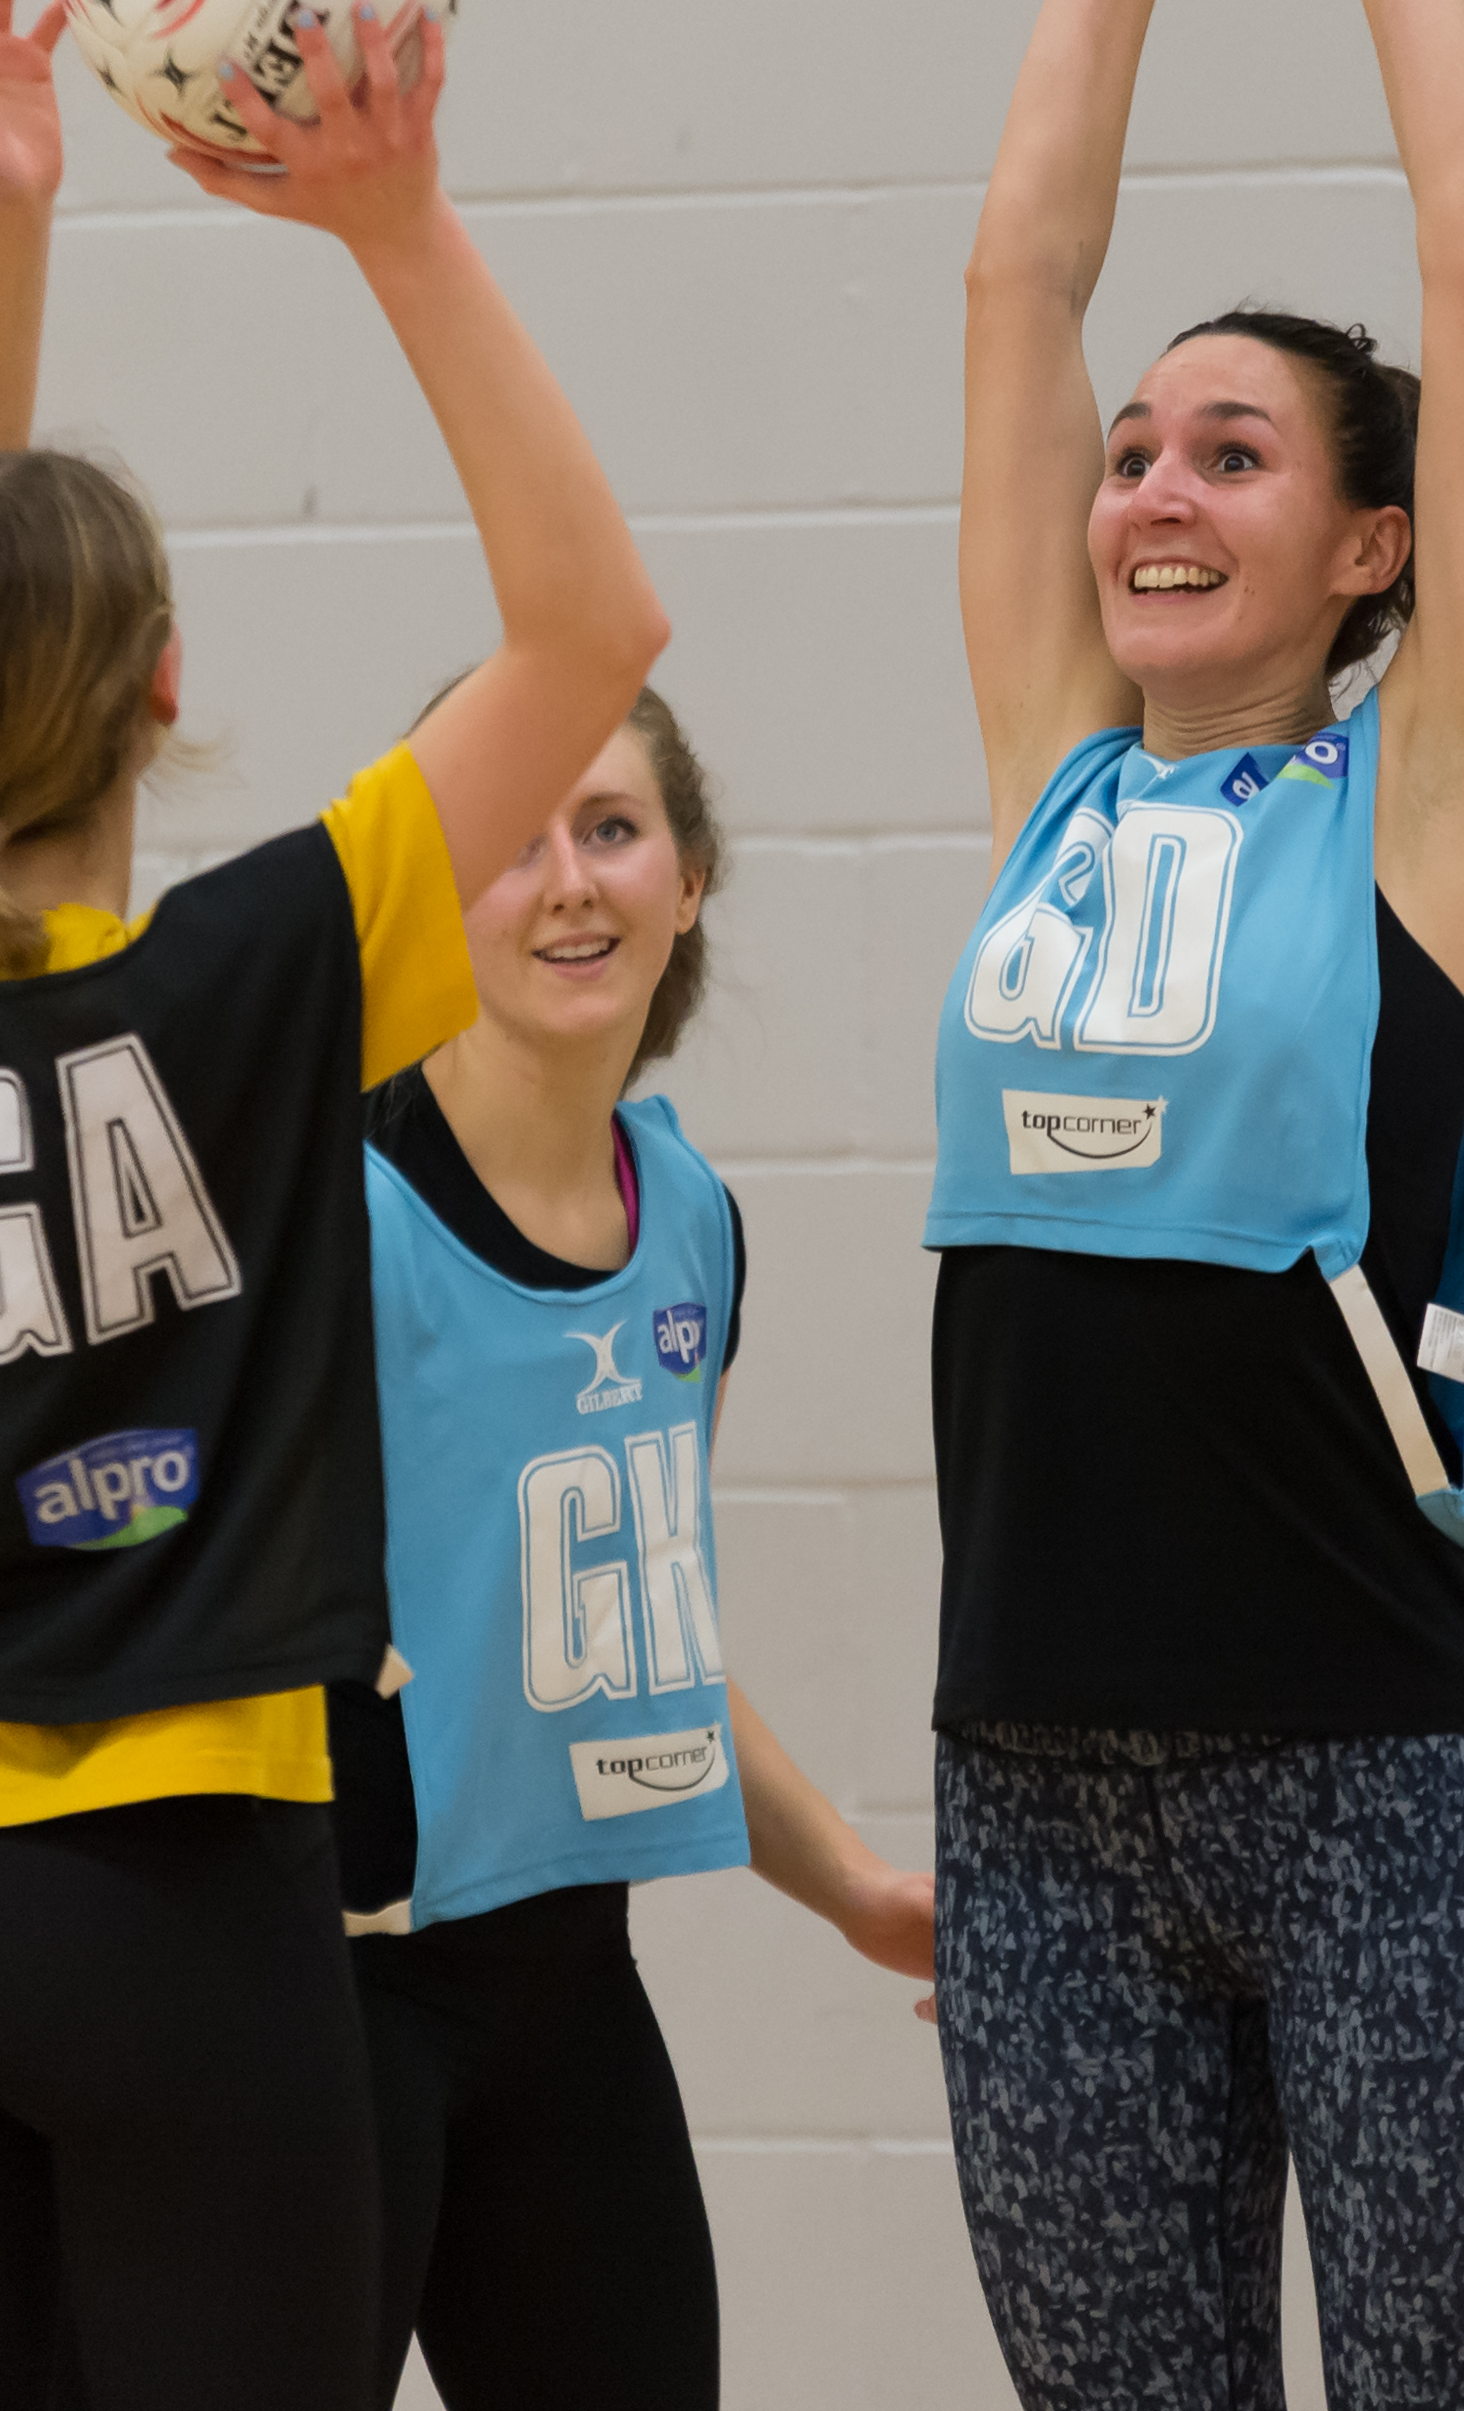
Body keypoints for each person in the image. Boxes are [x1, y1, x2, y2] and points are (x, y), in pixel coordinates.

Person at [0, 0, 666, 2411]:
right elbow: (591, 622)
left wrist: (0, 213)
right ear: (164, 683)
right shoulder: (292, 951)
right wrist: (396, 220)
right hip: (173, 1890)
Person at [921, 0, 1464, 2409]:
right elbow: (1013, 281)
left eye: (1237, 454)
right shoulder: (1062, 777)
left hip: (1398, 1795)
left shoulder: (1426, 809)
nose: (1155, 490)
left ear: (1374, 547)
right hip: (1039, 1802)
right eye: (1134, 457)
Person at [330, 687, 936, 2410]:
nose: (569, 882)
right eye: (510, 840)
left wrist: (855, 1892)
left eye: (610, 829)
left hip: (565, 1986)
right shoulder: (330, 1208)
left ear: (688, 886)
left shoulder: (693, 1220)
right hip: (321, 1999)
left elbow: (625, 1641)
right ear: (431, 898)